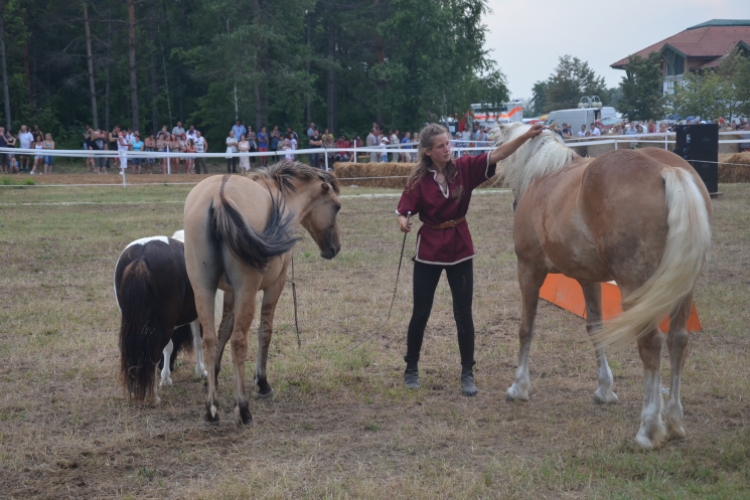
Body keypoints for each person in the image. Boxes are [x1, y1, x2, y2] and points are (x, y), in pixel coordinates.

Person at [396, 122, 544, 396]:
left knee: (463, 314)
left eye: (448, 144)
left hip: (460, 248)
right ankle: (411, 368)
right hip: (428, 251)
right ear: (428, 151)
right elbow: (404, 209)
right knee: (421, 313)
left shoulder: (463, 168)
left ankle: (467, 373)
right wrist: (403, 220)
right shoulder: (418, 180)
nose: (447, 149)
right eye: (440, 146)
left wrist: (525, 136)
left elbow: (497, 154)